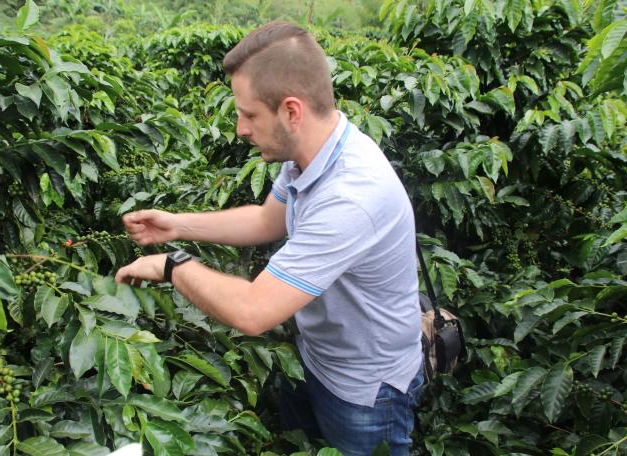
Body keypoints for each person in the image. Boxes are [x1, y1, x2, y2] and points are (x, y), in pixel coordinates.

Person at [115, 21, 423, 455]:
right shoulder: (310, 153)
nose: (241, 128)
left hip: (365, 392)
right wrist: (177, 225)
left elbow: (254, 311)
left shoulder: (352, 196)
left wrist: (171, 266)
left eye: (250, 114)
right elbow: (266, 220)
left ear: (291, 111)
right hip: (314, 357)